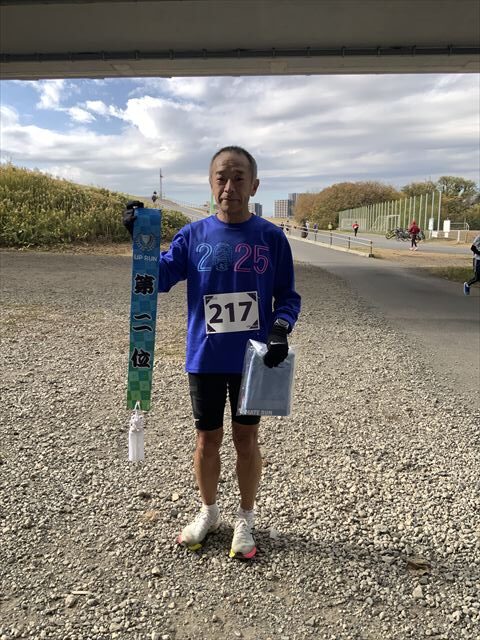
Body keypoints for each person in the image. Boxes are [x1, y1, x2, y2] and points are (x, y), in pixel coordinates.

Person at [123, 146, 301, 559]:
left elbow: (288, 296)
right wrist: (141, 241)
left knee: (246, 439)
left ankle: (246, 517)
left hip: (253, 360)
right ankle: (208, 511)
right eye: (221, 177)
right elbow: (159, 278)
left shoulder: (271, 238)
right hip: (204, 357)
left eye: (239, 178)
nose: (229, 187)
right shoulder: (192, 236)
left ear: (254, 185)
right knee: (207, 439)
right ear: (210, 183)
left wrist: (279, 328)